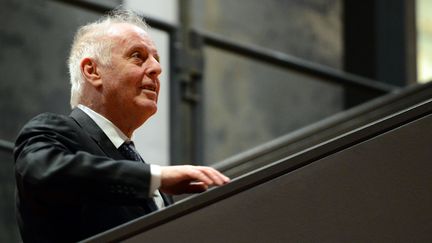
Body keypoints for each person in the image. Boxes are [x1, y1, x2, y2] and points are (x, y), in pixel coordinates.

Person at [13, 9, 230, 242]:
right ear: (92, 71)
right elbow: (43, 172)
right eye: (138, 56)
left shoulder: (145, 174)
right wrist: (156, 178)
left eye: (156, 59)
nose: (157, 68)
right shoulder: (52, 130)